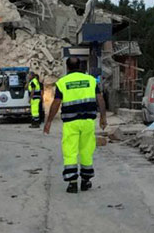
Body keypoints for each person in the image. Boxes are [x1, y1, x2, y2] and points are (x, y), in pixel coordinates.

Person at [44, 57, 107, 194]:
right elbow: (100, 98)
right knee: (86, 151)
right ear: (81, 66)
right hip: (88, 122)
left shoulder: (62, 82)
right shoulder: (91, 80)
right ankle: (85, 181)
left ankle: (72, 183)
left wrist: (49, 121)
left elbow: (56, 103)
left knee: (70, 152)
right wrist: (103, 117)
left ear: (67, 67)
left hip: (70, 123)